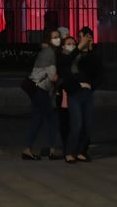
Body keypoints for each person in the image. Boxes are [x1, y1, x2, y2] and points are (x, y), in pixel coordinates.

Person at [58, 26, 102, 162]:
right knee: (76, 125)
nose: (72, 46)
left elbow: (96, 69)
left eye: (73, 43)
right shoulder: (63, 57)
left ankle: (81, 151)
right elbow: (65, 69)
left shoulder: (80, 56)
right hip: (74, 93)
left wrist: (89, 47)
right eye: (68, 44)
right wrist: (78, 85)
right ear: (63, 47)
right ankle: (69, 152)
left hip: (86, 93)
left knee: (87, 125)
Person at [22, 44, 62, 160]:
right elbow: (53, 77)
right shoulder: (50, 55)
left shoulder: (44, 54)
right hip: (41, 90)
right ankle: (52, 150)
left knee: (37, 119)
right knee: (51, 119)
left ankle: (27, 149)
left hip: (37, 90)